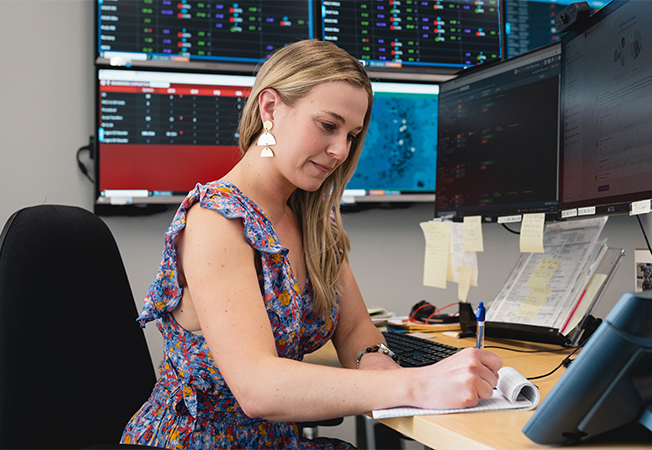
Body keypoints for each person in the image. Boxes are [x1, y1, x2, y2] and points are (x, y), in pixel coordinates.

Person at [121, 39, 503, 449]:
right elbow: (258, 387)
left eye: (352, 135)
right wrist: (415, 384)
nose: (341, 150)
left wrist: (376, 361)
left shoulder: (313, 216)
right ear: (270, 109)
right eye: (327, 125)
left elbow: (355, 326)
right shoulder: (215, 220)